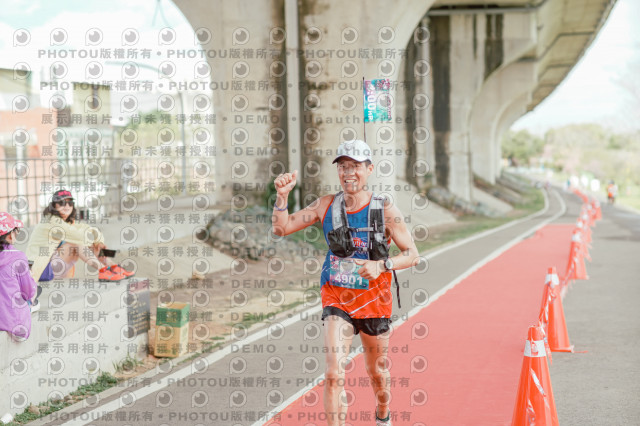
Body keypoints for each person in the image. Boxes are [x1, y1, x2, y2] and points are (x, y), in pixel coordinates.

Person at [271, 140, 419, 426]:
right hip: (337, 297)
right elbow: (281, 228)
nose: (348, 172)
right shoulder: (326, 204)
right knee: (333, 373)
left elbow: (412, 255)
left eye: (355, 166)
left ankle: (383, 413)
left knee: (377, 373)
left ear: (369, 169)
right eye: (343, 166)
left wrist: (382, 265)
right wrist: (281, 197)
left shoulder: (385, 209)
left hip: (375, 301)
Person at [26, 189, 134, 283]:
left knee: (90, 245)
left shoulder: (66, 222)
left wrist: (99, 242)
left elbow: (89, 229)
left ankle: (112, 267)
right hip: (40, 270)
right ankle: (103, 270)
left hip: (52, 268)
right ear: (54, 205)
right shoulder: (51, 221)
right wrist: (95, 241)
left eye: (70, 203)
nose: (67, 206)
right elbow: (81, 237)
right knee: (75, 244)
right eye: (62, 202)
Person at [0, 213, 38, 341]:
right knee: (33, 289)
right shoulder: (18, 257)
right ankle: (32, 305)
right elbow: (28, 291)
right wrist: (30, 277)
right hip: (16, 326)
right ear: (10, 235)